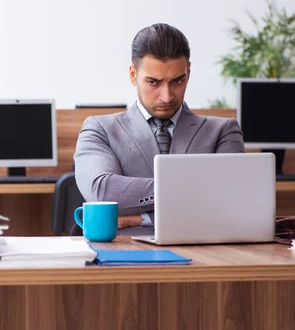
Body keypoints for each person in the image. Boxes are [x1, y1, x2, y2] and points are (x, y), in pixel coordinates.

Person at [73, 23, 245, 235]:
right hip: (124, 258)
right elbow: (102, 192)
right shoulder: (100, 129)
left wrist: (138, 218)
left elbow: (229, 205)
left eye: (177, 81)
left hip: (203, 257)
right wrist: (198, 189)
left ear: (188, 73)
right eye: (153, 82)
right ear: (133, 75)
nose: (166, 96)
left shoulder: (223, 131)